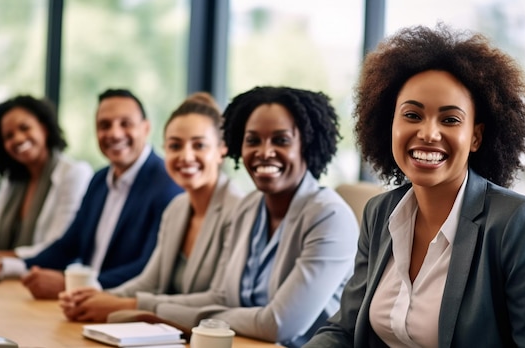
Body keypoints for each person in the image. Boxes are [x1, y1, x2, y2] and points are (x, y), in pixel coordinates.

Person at [304, 25, 525, 347]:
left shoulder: (518, 223)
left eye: (450, 119)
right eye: (412, 115)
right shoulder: (379, 213)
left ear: (476, 136)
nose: (428, 133)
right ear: (391, 125)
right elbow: (344, 330)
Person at [92, 86, 359, 348]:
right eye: (252, 140)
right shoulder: (249, 207)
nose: (264, 152)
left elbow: (277, 324)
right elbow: (222, 296)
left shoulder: (329, 217)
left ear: (307, 145)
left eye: (281, 140)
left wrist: (165, 313)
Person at [0, 88, 183, 300]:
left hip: (125, 311)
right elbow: (67, 246)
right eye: (104, 125)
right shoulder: (99, 181)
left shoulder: (166, 183)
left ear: (146, 128)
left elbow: (149, 268)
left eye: (125, 124)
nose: (114, 134)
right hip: (82, 304)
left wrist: (73, 284)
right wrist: (4, 266)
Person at [58, 91, 244, 320]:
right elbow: (150, 281)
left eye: (199, 145)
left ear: (222, 149)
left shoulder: (239, 212)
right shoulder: (177, 208)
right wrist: (94, 297)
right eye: (175, 146)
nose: (186, 156)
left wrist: (128, 304)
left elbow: (221, 299)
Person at [0, 95, 92, 265]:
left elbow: (56, 247)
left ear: (43, 128)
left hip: (45, 276)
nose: (18, 139)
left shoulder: (73, 174)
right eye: (9, 136)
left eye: (25, 128)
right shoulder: (12, 181)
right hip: (5, 276)